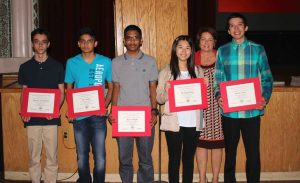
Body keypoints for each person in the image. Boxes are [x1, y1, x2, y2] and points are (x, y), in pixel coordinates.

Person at [214, 13, 273, 183]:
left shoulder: (258, 49)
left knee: (253, 153)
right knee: (230, 153)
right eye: (232, 26)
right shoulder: (222, 51)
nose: (236, 28)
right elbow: (218, 79)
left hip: (252, 112)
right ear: (228, 30)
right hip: (229, 113)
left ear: (246, 28)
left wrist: (265, 97)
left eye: (240, 25)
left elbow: (267, 77)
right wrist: (219, 96)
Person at [110, 24, 158, 183]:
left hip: (144, 116)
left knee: (145, 158)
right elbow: (116, 88)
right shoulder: (115, 62)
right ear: (124, 41)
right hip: (122, 117)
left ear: (141, 40)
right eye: (129, 38)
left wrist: (154, 111)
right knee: (124, 158)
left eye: (135, 38)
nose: (132, 41)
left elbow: (153, 88)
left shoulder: (150, 61)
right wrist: (113, 111)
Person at [65, 27, 113, 183]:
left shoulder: (105, 61)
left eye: (90, 41)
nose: (86, 45)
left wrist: (104, 106)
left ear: (95, 43)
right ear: (78, 44)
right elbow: (69, 88)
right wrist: (70, 110)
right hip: (79, 117)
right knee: (81, 155)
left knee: (100, 156)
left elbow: (111, 87)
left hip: (98, 117)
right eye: (83, 42)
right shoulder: (71, 62)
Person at [18, 28, 65, 183]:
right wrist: (24, 111)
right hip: (32, 119)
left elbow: (61, 92)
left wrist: (55, 109)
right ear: (33, 44)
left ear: (48, 44)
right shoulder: (24, 67)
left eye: (43, 42)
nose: (40, 45)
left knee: (52, 156)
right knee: (33, 156)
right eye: (37, 42)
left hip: (50, 118)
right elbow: (24, 92)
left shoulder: (57, 66)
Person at [156, 35, 204, 183]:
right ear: (174, 50)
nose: (184, 51)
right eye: (180, 47)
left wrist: (204, 88)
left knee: (189, 159)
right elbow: (159, 99)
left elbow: (202, 100)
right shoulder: (166, 71)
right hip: (173, 123)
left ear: (191, 51)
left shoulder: (198, 71)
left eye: (188, 48)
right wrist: (166, 88)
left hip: (193, 123)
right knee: (174, 159)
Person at [194, 27, 224, 183]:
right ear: (198, 42)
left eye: (210, 39)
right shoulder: (192, 57)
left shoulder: (221, 56)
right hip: (198, 108)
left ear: (215, 42)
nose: (206, 42)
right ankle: (202, 178)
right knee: (201, 143)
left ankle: (216, 178)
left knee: (217, 143)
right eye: (203, 39)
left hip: (219, 106)